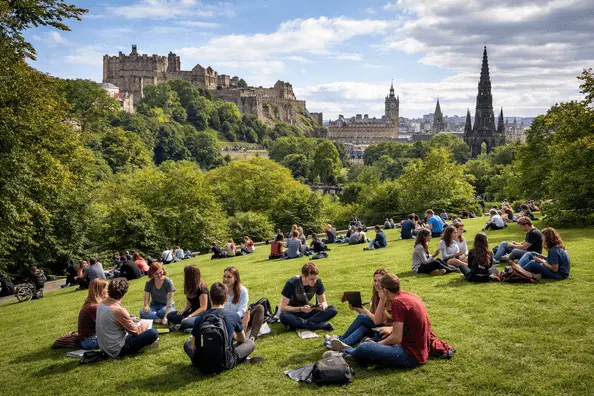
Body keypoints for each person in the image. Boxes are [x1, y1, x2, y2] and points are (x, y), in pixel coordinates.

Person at [342, 273, 446, 368]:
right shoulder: (411, 295)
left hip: (410, 355)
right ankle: (351, 354)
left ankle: (346, 353)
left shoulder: (397, 302)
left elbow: (396, 338)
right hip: (419, 349)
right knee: (369, 343)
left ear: (385, 291)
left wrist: (377, 345)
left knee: (366, 346)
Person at [183, 282, 255, 371]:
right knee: (249, 343)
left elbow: (194, 345)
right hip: (225, 362)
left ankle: (203, 360)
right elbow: (242, 339)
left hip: (202, 363)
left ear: (210, 298)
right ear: (226, 299)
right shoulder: (233, 316)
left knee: (188, 344)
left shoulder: (200, 317)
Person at [326, 268, 392, 350]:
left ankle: (339, 340)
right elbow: (370, 317)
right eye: (375, 281)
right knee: (363, 328)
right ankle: (343, 344)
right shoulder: (376, 296)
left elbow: (377, 320)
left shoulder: (388, 297)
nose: (377, 283)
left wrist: (364, 311)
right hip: (376, 327)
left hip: (387, 329)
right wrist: (357, 308)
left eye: (379, 281)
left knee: (362, 317)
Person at [96, 278, 159, 358]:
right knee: (153, 332)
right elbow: (135, 332)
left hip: (105, 346)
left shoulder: (102, 304)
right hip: (117, 349)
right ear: (124, 293)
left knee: (131, 317)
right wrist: (143, 327)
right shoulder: (118, 310)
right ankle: (144, 346)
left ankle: (145, 346)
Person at [279, 262, 338, 331]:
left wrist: (323, 306)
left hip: (309, 310)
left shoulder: (318, 282)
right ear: (303, 276)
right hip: (294, 312)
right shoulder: (291, 283)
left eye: (316, 278)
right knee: (283, 316)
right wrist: (301, 309)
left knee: (333, 309)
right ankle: (320, 325)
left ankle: (298, 324)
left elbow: (324, 301)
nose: (314, 281)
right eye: (311, 279)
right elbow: (282, 307)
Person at [223, 266, 265, 340]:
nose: (226, 279)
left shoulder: (242, 291)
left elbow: (242, 309)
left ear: (235, 278)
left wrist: (234, 317)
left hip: (240, 318)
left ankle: (252, 337)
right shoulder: (221, 290)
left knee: (260, 308)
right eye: (224, 276)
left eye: (229, 277)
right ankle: (236, 335)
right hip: (226, 321)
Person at [167, 265, 209, 331]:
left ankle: (183, 326)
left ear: (190, 276)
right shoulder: (188, 286)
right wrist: (184, 310)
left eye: (184, 274)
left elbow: (203, 308)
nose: (183, 275)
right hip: (192, 312)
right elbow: (189, 304)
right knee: (170, 315)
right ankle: (188, 325)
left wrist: (189, 316)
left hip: (202, 314)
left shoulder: (202, 288)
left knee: (185, 322)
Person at [78, 278, 109, 350]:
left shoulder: (93, 304)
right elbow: (107, 325)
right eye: (106, 288)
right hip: (90, 340)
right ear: (99, 290)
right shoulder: (94, 307)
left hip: (92, 337)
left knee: (131, 318)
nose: (108, 291)